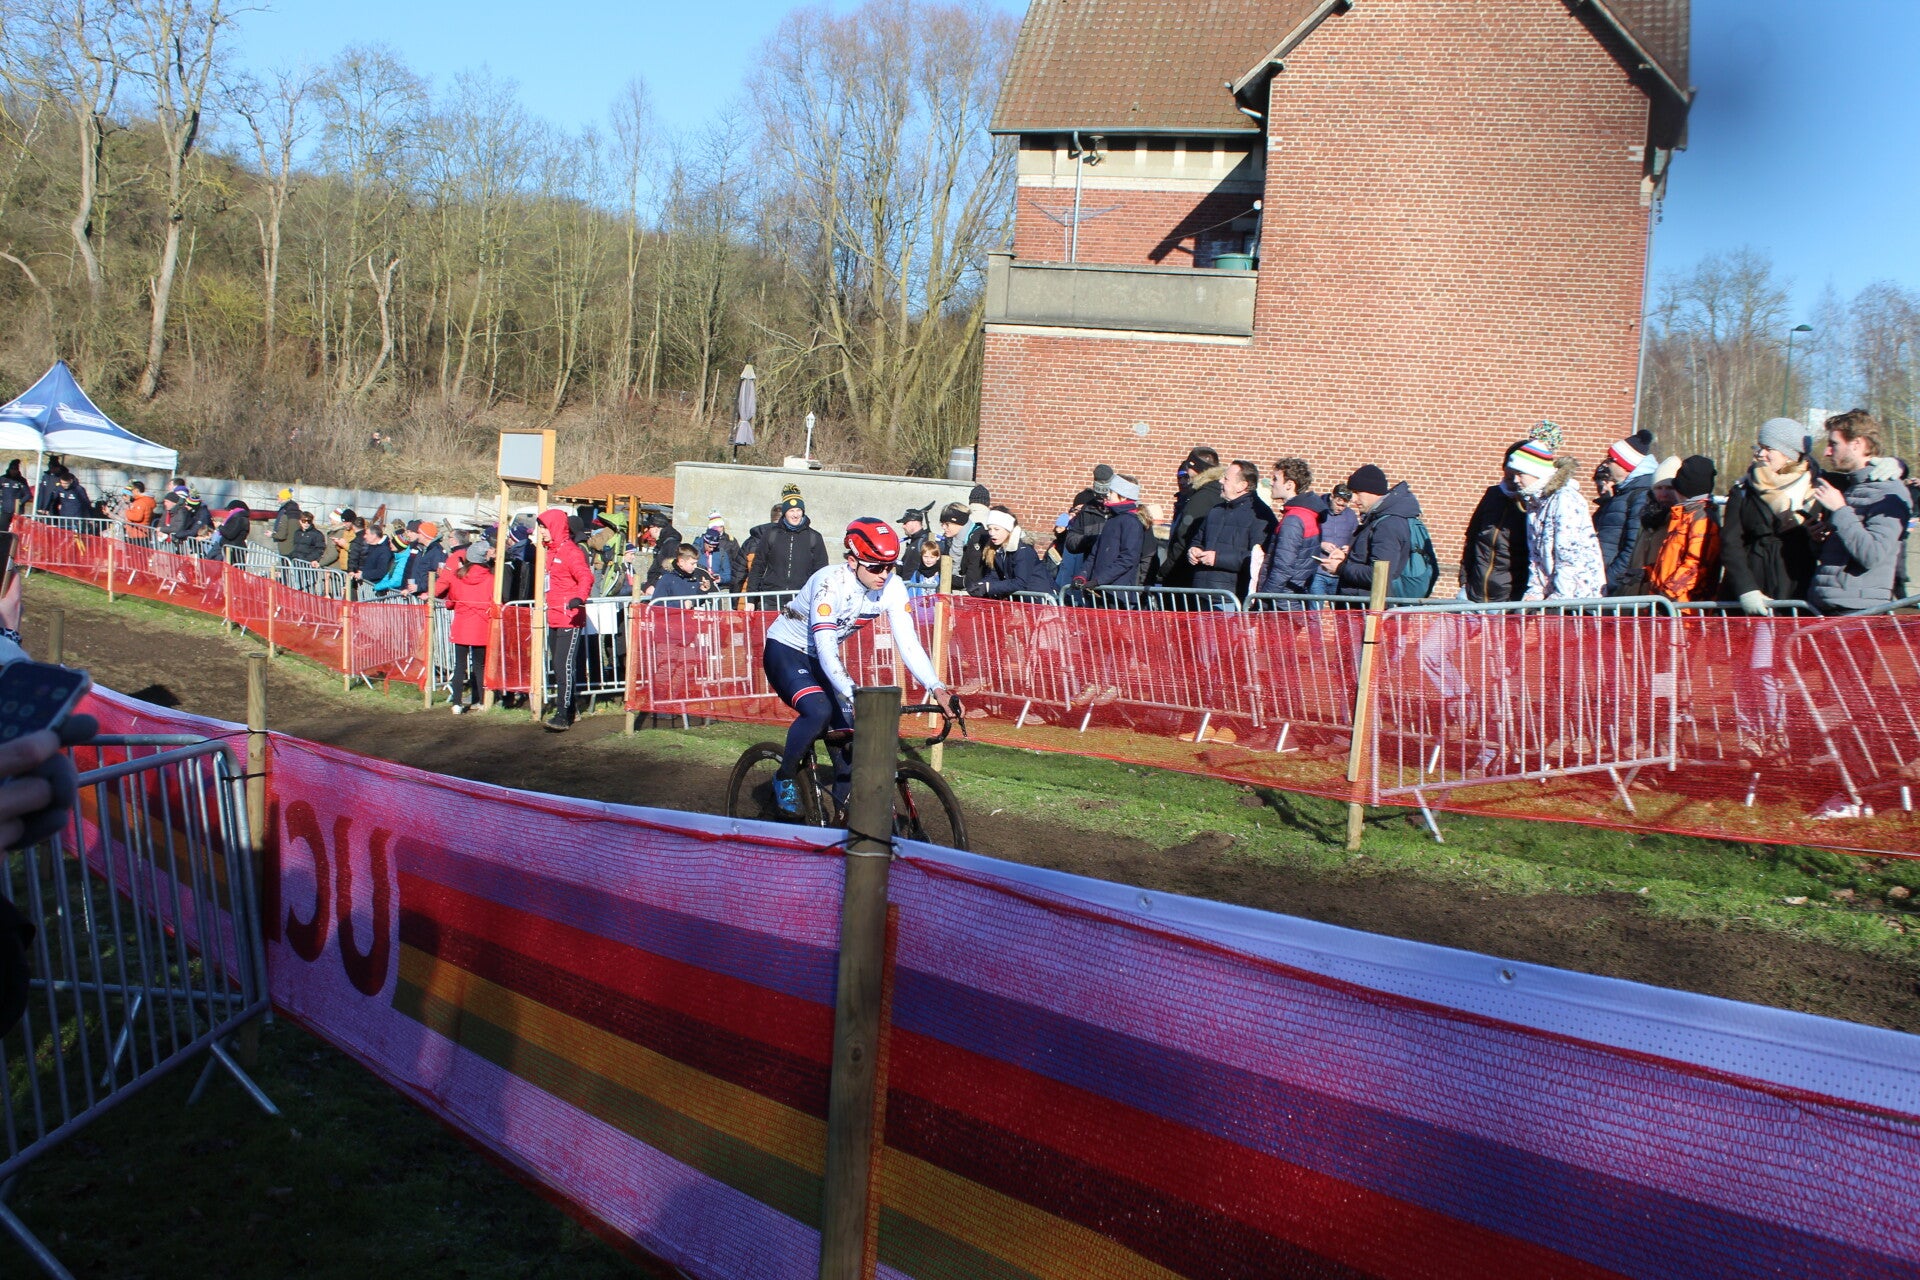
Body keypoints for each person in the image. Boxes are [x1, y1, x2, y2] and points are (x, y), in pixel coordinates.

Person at [760, 518, 957, 815]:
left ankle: (844, 821)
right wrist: (856, 696)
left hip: (821, 659)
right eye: (875, 567)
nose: (884, 575)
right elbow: (827, 650)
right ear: (852, 561)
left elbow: (909, 643)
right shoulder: (829, 584)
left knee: (850, 744)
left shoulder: (892, 587)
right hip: (786, 651)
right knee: (819, 710)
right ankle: (784, 775)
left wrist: (937, 687)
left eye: (890, 567)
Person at [1807, 409, 1913, 614]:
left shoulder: (1888, 492)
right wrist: (1820, 541)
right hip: (1828, 604)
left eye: (1834, 444)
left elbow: (1872, 555)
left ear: (1857, 444)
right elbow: (1845, 554)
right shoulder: (1853, 487)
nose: (1827, 452)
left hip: (1856, 611)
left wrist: (1840, 509)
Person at [1720, 418, 1817, 615]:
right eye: (1760, 447)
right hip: (1752, 590)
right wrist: (1746, 589)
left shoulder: (1816, 488)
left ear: (1789, 454)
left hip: (1797, 588)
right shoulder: (1743, 489)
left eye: (1768, 448)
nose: (1760, 453)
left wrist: (1889, 466)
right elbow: (1730, 542)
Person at [1504, 423, 1605, 601]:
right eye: (1513, 474)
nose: (1515, 480)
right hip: (1553, 596)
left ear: (1536, 472)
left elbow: (1568, 555)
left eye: (1520, 474)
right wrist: (1535, 592)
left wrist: (1560, 597)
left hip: (1578, 598)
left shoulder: (1564, 499)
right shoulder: (1534, 504)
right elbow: (1536, 557)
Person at [536, 508, 596, 730]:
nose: (541, 532)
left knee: (563, 666)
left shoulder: (571, 551)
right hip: (554, 615)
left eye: (544, 527)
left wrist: (579, 598)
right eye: (540, 527)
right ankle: (571, 709)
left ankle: (562, 715)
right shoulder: (550, 552)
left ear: (554, 527)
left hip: (569, 616)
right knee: (557, 665)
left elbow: (585, 576)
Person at [1324, 465, 1422, 595]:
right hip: (1362, 602)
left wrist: (1340, 568)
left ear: (1373, 491)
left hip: (1370, 604)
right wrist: (1346, 558)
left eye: (1357, 492)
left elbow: (1379, 574)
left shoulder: (1387, 525)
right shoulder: (1378, 520)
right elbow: (1368, 559)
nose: (1353, 499)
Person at [1188, 459, 1274, 604]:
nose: (1220, 481)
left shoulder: (1260, 516)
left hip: (1231, 597)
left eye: (1226, 478)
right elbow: (1198, 539)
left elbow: (1259, 558)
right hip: (1200, 593)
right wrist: (1194, 549)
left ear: (1242, 485)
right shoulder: (1216, 510)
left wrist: (1218, 559)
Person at [1460, 444, 1532, 603]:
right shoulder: (1493, 495)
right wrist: (1464, 580)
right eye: (1509, 467)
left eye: (1518, 471)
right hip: (1473, 593)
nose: (1512, 475)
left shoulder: (1532, 505)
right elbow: (1472, 538)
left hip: (1509, 599)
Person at [1645, 456, 1722, 602]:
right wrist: (1645, 573)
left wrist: (1667, 595)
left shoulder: (1702, 518)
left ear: (1682, 488)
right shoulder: (1683, 515)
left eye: (1672, 487)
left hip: (1686, 607)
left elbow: (1695, 565)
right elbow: (1672, 561)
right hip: (1671, 603)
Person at [432, 540, 495, 713]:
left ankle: (457, 703)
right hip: (481, 625)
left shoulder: (457, 576)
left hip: (461, 625)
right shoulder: (491, 579)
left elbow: (451, 601)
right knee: (479, 665)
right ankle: (482, 701)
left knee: (459, 665)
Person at [1593, 430, 1658, 592]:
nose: (1607, 464)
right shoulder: (1622, 494)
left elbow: (1632, 548)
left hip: (1611, 586)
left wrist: (1608, 582)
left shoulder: (1640, 496)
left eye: (1611, 460)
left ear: (1625, 466)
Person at [1256, 458, 1327, 599]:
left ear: (1289, 484)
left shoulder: (1294, 519)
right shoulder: (1307, 513)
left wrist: (1264, 598)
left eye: (1275, 479)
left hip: (1282, 599)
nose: (1271, 483)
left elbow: (1282, 568)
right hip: (1293, 594)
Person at [1156, 447, 1223, 589]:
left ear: (1195, 467)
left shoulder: (1201, 497)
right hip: (1204, 575)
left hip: (1185, 576)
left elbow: (1183, 539)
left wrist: (1164, 572)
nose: (1186, 472)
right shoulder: (1219, 493)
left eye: (1188, 466)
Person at [745, 488, 828, 600]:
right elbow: (758, 567)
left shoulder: (814, 537)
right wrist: (751, 599)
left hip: (802, 598)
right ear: (785, 513)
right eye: (791, 511)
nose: (795, 515)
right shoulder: (771, 534)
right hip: (772, 598)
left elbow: (821, 571)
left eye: (798, 510)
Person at [1076, 474, 1151, 596]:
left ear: (1123, 496)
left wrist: (1099, 580)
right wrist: (1082, 575)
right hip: (1099, 590)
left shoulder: (1131, 522)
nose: (1107, 495)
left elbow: (1128, 558)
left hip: (1116, 594)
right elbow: (1094, 554)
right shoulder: (1111, 520)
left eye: (1111, 492)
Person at [969, 508, 1054, 598]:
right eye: (990, 529)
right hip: (1022, 600)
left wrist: (988, 587)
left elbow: (1020, 582)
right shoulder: (998, 549)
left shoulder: (1023, 550)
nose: (992, 533)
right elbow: (995, 575)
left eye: (996, 529)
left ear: (1008, 530)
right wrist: (980, 585)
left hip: (1040, 599)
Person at [1308, 483, 1357, 597]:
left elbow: (1356, 537)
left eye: (1344, 506)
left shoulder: (1351, 515)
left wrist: (1350, 547)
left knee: (1339, 608)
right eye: (1338, 504)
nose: (1340, 508)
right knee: (1316, 608)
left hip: (1339, 571)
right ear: (1332, 497)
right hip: (1318, 570)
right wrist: (1320, 544)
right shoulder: (1318, 512)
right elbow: (1307, 536)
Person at [938, 502, 988, 591]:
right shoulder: (951, 540)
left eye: (947, 524)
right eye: (942, 524)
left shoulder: (977, 539)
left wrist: (947, 579)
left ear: (959, 522)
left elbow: (973, 579)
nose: (944, 527)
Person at [648, 543, 717, 605]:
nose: (695, 566)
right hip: (673, 615)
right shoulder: (667, 579)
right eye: (692, 563)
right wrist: (682, 605)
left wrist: (702, 591)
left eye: (696, 563)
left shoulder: (694, 577)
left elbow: (694, 603)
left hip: (689, 615)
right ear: (681, 562)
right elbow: (657, 605)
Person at [697, 514, 744, 592]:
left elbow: (736, 562)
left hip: (721, 586)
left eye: (721, 526)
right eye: (716, 527)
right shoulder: (697, 546)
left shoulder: (729, 542)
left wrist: (721, 578)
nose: (719, 529)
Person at [270, 489, 301, 559]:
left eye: (278, 497)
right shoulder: (295, 510)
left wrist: (272, 535)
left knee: (286, 563)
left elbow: (282, 533)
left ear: (283, 498)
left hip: (286, 546)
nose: (277, 499)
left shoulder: (285, 511)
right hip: (294, 545)